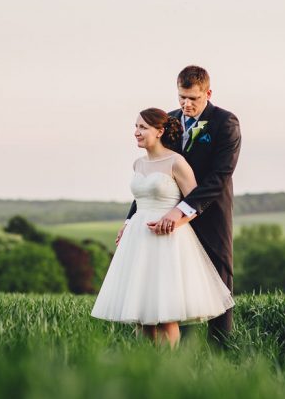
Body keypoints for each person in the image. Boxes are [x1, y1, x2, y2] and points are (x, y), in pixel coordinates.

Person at [118, 65, 241, 346]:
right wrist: (131, 220)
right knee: (168, 282)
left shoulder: (225, 123)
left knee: (217, 280)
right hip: (162, 218)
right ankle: (179, 352)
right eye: (181, 97)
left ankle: (219, 351)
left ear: (208, 93)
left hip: (208, 213)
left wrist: (182, 210)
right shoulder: (169, 121)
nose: (186, 104)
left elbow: (220, 176)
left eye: (193, 98)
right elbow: (151, 176)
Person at [90, 108, 234, 349]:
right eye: (135, 127)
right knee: (142, 313)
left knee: (165, 314)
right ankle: (145, 367)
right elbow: (139, 202)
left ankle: (170, 371)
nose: (136, 132)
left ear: (160, 131)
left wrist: (175, 222)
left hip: (168, 239)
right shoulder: (138, 164)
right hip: (138, 239)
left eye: (143, 128)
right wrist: (127, 224)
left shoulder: (177, 162)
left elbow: (196, 204)